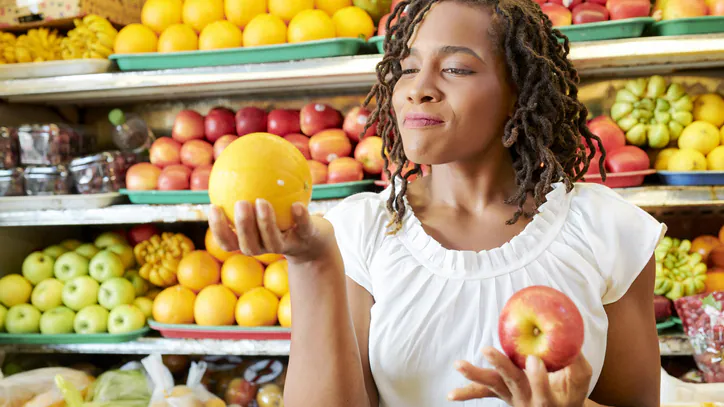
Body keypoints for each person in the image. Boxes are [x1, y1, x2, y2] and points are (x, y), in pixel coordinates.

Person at [208, 0, 666, 405]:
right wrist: (312, 264)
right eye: (408, 68)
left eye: (456, 69)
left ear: (518, 93)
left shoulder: (607, 229)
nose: (418, 88)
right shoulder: (361, 231)